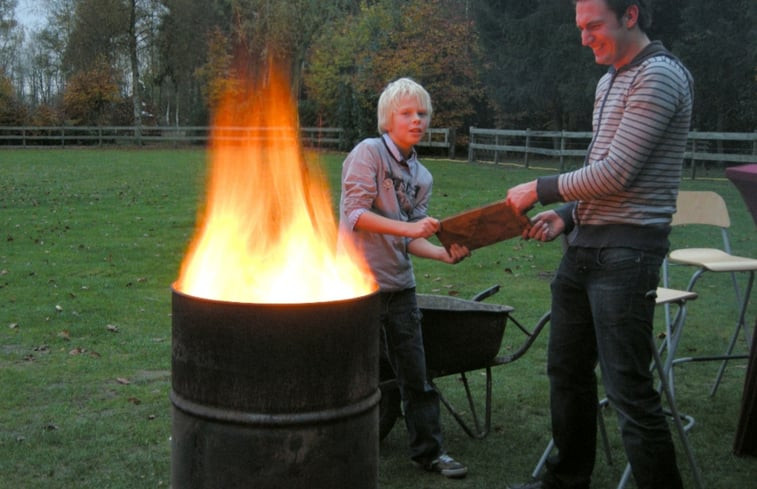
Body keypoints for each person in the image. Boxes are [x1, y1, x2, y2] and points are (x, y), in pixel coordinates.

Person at [505, 1, 694, 488]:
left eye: (594, 26)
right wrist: (566, 217)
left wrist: (539, 189)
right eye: (580, 27)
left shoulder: (660, 77)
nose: (584, 37)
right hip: (584, 249)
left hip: (627, 256)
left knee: (629, 392)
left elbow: (617, 172)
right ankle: (568, 480)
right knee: (566, 374)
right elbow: (601, 176)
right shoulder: (608, 80)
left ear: (630, 16)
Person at [339, 77, 470, 478]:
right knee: (351, 376)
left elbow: (412, 238)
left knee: (417, 375)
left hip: (400, 288)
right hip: (356, 288)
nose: (417, 120)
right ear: (387, 118)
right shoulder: (368, 154)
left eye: (423, 113)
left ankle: (429, 453)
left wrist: (440, 254)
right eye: (407, 113)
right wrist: (411, 230)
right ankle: (339, 447)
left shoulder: (422, 176)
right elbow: (355, 215)